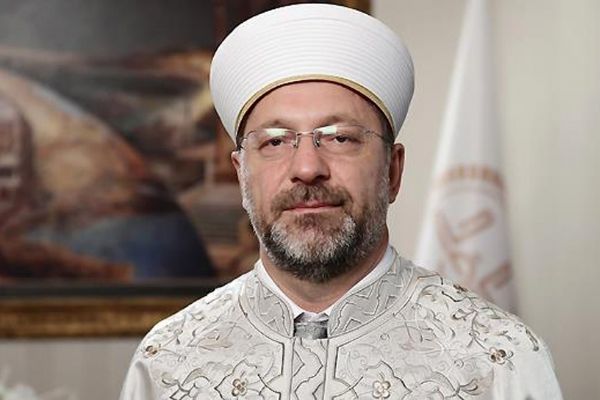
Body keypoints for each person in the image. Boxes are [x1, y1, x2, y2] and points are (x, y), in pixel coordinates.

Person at [120, 4, 562, 399]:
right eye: (275, 141)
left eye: (340, 138)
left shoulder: (496, 360)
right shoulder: (168, 363)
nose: (307, 167)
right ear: (241, 175)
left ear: (392, 171)